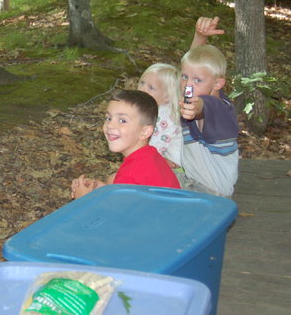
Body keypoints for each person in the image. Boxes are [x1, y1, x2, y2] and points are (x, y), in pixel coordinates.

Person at [70, 90, 180, 200]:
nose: (110, 125)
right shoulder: (151, 155)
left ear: (144, 132)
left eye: (122, 120)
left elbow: (113, 211)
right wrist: (100, 189)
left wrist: (84, 198)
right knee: (112, 179)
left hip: (153, 210)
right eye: (108, 118)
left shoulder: (130, 175)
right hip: (168, 208)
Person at [177, 17, 238, 197]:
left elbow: (203, 107)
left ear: (218, 83)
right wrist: (200, 37)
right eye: (184, 77)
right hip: (193, 181)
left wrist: (196, 109)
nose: (188, 84)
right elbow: (194, 66)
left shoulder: (220, 109)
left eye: (197, 80)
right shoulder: (202, 88)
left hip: (209, 193)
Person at [138, 63, 182, 168]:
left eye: (151, 87)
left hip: (175, 168)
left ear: (167, 96)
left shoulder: (163, 116)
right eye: (142, 83)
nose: (142, 89)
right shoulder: (155, 109)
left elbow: (154, 147)